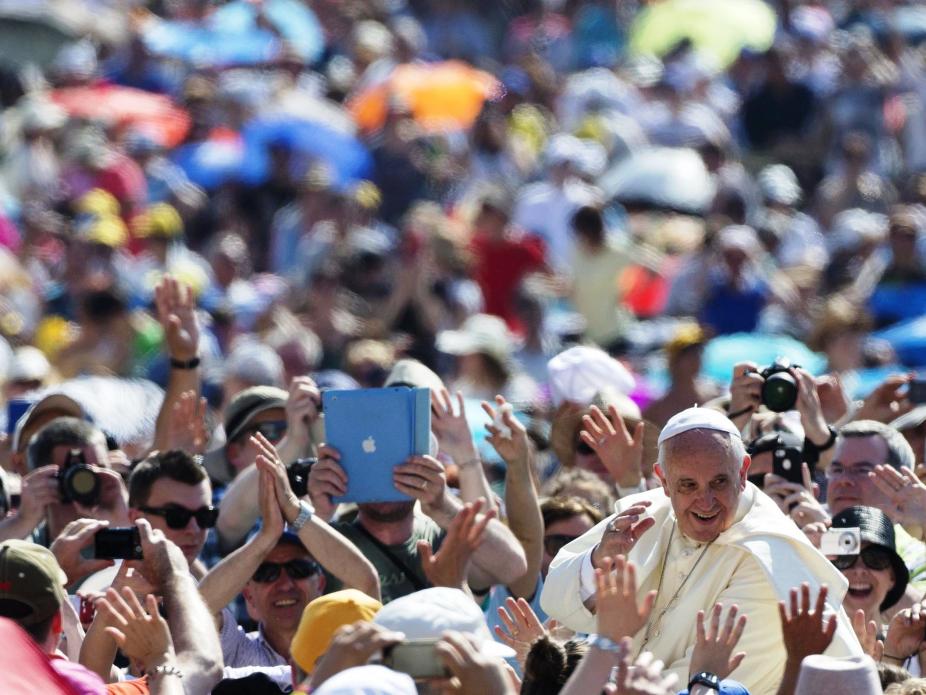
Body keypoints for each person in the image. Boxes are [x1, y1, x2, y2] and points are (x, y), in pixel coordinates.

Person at [541, 406, 862, 694]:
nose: (705, 501)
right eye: (688, 485)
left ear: (742, 472)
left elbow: (701, 681)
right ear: (663, 480)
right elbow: (555, 599)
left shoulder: (769, 556)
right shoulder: (648, 514)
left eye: (719, 482)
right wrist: (599, 561)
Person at [198, 433, 378, 684]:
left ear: (320, 585)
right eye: (267, 574)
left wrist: (293, 508)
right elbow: (198, 608)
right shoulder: (235, 652)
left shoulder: (341, 647)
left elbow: (365, 583)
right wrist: (266, 537)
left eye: (299, 568)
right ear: (249, 598)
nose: (284, 583)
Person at [307, 433, 528, 603]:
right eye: (371, 468)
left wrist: (442, 504)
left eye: (401, 468)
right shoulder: (328, 539)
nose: (386, 479)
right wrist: (320, 515)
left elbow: (513, 567)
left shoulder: (446, 540)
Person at [127, 449, 216, 576]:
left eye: (204, 515)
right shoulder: (109, 582)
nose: (194, 530)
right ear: (136, 518)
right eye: (177, 516)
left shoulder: (194, 580)